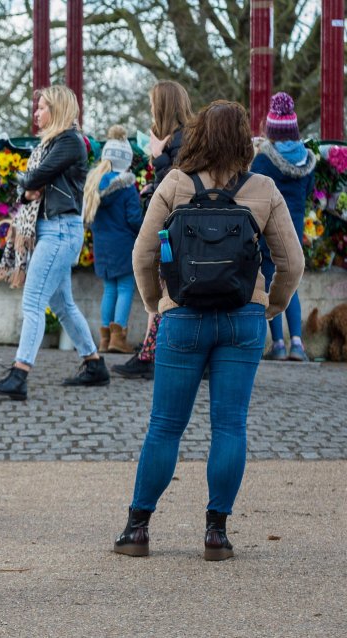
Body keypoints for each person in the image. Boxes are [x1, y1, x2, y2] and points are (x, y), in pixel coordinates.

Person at [112, 101, 304, 561]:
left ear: (196, 135)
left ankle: (138, 529)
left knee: (164, 427)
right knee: (230, 426)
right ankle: (216, 534)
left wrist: (158, 306)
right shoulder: (264, 188)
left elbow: (143, 255)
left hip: (183, 317)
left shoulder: (175, 184)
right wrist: (270, 308)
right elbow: (292, 263)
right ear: (244, 141)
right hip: (243, 319)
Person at [0, 85, 107, 401]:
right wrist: (28, 187)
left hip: (60, 230)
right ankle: (94, 364)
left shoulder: (68, 141)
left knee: (33, 301)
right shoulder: (54, 143)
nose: (36, 113)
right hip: (54, 229)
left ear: (58, 109)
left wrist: (28, 186)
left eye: (41, 108)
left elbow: (35, 177)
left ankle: (19, 373)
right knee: (62, 305)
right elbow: (29, 183)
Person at [113, 80, 193, 380]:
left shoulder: (182, 140)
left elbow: (178, 184)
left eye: (152, 103)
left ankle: (151, 354)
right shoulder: (180, 139)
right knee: (161, 289)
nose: (149, 109)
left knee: (163, 288)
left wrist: (158, 156)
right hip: (173, 225)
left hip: (174, 227)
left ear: (164, 107)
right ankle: (150, 352)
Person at [251, 92, 316, 361]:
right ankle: (297, 344)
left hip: (269, 228)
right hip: (295, 229)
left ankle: (278, 343)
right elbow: (310, 191)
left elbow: (252, 187)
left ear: (271, 129)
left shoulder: (264, 160)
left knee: (270, 281)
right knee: (291, 283)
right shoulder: (308, 162)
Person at [84, 125, 143, 354]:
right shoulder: (127, 185)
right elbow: (134, 218)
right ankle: (119, 337)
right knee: (126, 287)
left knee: (109, 289)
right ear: (126, 160)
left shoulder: (94, 183)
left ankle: (105, 339)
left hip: (103, 245)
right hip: (124, 244)